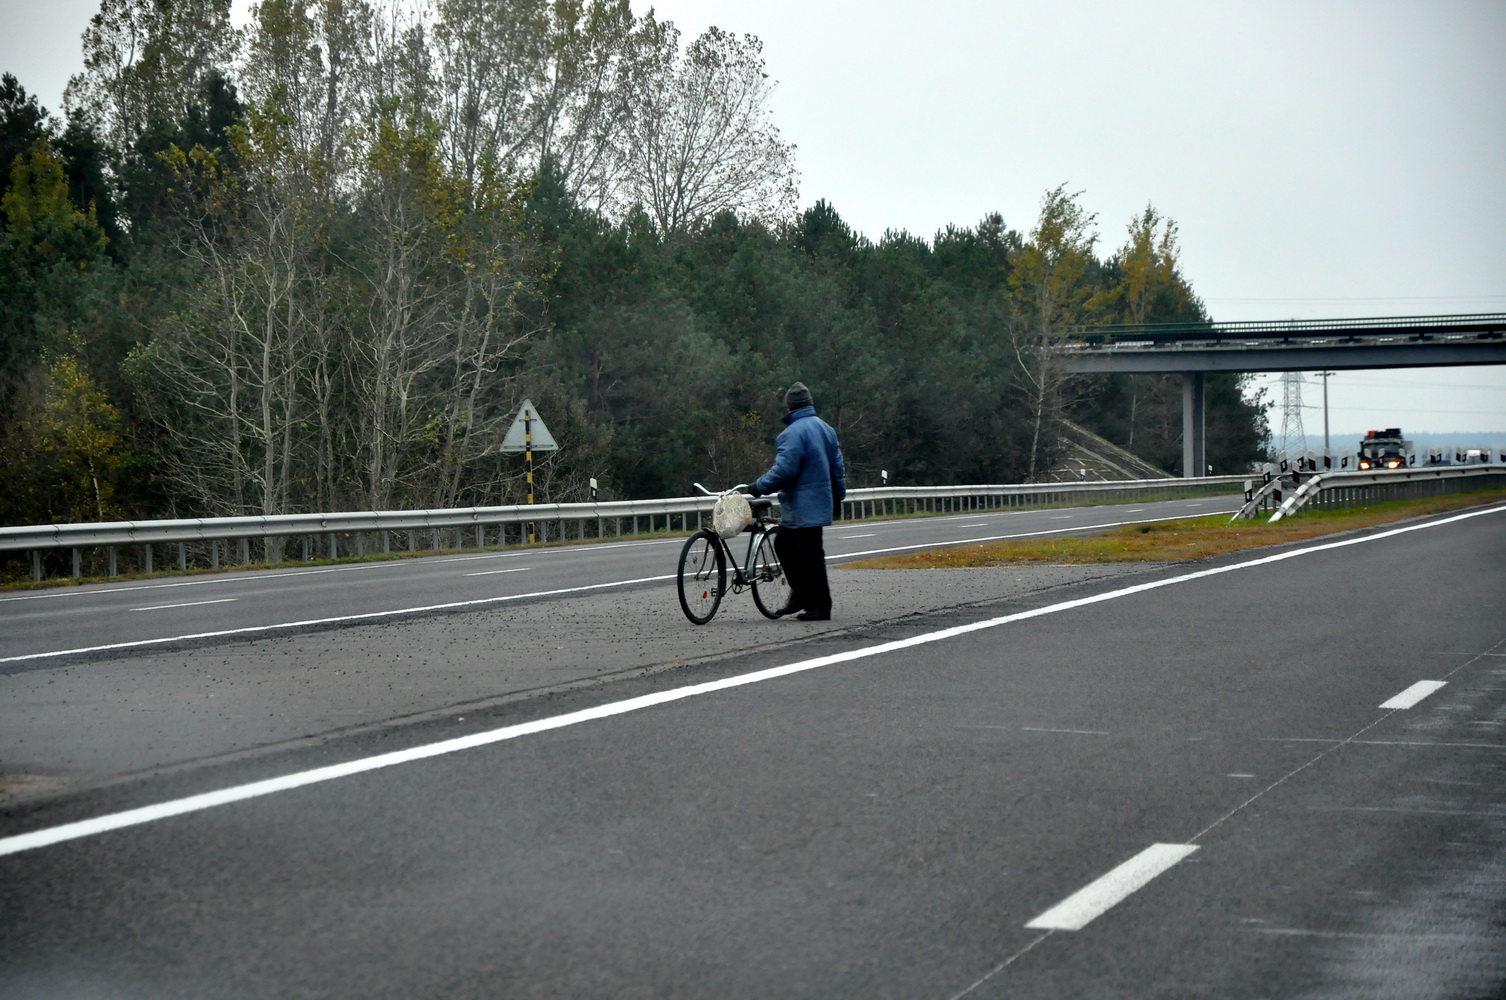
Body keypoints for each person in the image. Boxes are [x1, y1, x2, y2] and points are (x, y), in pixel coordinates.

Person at [745, 381, 846, 621]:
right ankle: (802, 596)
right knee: (788, 545)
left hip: (803, 504)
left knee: (808, 553)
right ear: (808, 404)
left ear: (790, 407)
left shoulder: (791, 433)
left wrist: (758, 487)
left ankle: (820, 606)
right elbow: (837, 466)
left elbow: (785, 470)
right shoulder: (826, 428)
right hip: (816, 500)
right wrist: (839, 494)